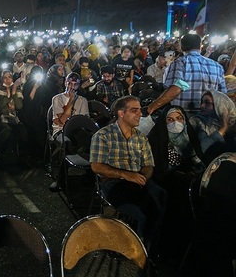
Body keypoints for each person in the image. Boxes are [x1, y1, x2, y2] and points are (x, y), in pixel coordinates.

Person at [90, 95, 167, 253]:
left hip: (137, 180)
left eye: (140, 110)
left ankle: (148, 246)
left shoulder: (140, 138)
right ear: (121, 113)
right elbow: (97, 166)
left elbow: (148, 165)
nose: (140, 114)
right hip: (114, 182)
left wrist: (143, 177)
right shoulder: (103, 135)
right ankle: (143, 252)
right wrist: (125, 175)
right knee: (146, 212)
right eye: (134, 110)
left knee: (160, 195)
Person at [146, 106, 204, 260]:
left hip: (190, 182)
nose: (175, 123)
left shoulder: (189, 136)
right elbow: (159, 171)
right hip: (168, 185)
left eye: (179, 119)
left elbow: (198, 160)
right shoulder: (158, 139)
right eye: (170, 120)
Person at [146, 34, 226, 115]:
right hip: (209, 119)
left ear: (182, 47)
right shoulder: (217, 66)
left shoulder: (180, 63)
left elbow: (176, 88)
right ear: (200, 46)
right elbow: (222, 95)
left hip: (184, 117)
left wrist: (152, 107)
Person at [49, 72, 90, 192]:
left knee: (91, 140)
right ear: (65, 83)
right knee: (66, 144)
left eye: (75, 84)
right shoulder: (57, 99)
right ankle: (60, 179)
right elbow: (61, 121)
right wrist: (70, 103)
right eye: (69, 83)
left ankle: (90, 176)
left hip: (77, 130)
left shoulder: (83, 100)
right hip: (60, 131)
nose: (72, 87)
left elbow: (84, 120)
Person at [189, 90, 236, 166]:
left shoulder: (232, 123)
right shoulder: (197, 122)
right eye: (202, 102)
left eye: (207, 103)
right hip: (208, 167)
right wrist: (222, 130)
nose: (202, 106)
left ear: (220, 105)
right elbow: (201, 149)